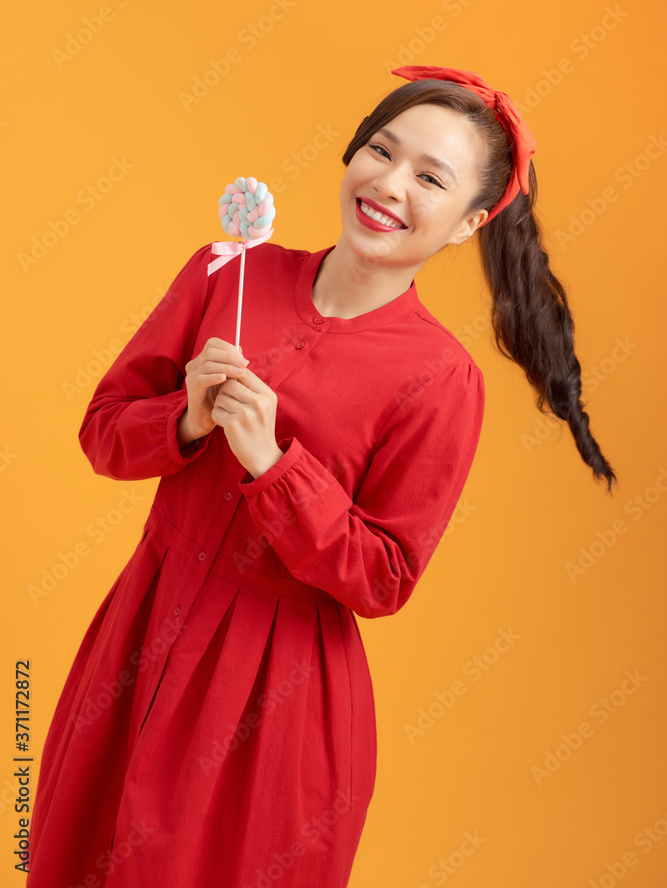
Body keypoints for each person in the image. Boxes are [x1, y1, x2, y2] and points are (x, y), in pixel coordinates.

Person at [25, 64, 617, 888]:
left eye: (429, 177)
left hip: (271, 695)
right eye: (381, 149)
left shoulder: (440, 378)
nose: (389, 183)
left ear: (467, 222)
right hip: (136, 640)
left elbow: (382, 577)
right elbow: (103, 434)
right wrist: (186, 420)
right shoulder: (225, 273)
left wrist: (274, 464)